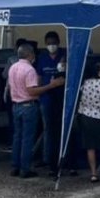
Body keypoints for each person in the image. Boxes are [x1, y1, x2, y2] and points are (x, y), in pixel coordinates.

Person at [8, 43, 63, 178]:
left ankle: (15, 166)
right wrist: (51, 85)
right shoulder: (29, 70)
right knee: (27, 138)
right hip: (28, 105)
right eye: (33, 53)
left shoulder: (13, 67)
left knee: (17, 137)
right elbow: (32, 91)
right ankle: (25, 168)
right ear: (29, 54)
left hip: (16, 105)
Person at [36, 31, 67, 175]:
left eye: (54, 43)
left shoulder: (65, 55)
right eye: (49, 43)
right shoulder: (42, 59)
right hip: (46, 99)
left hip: (63, 99)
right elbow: (39, 78)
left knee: (63, 129)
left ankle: (64, 158)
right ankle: (48, 159)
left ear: (58, 42)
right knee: (48, 130)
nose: (51, 46)